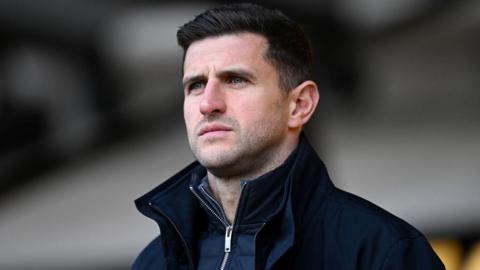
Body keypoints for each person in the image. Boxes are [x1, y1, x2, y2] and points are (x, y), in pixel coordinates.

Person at [132, 3, 444, 270]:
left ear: (300, 105)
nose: (208, 103)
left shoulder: (383, 252)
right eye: (195, 85)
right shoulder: (153, 263)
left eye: (235, 79)